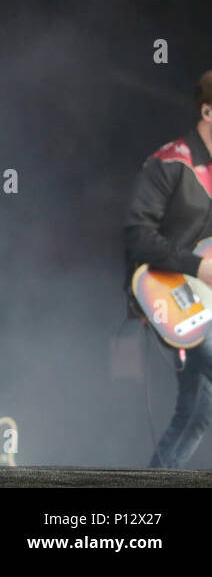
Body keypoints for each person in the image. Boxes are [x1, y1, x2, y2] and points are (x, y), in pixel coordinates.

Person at [123, 70, 212, 467]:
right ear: (207, 111)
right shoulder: (170, 162)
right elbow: (138, 237)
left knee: (195, 416)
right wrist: (198, 266)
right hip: (170, 299)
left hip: (205, 302)